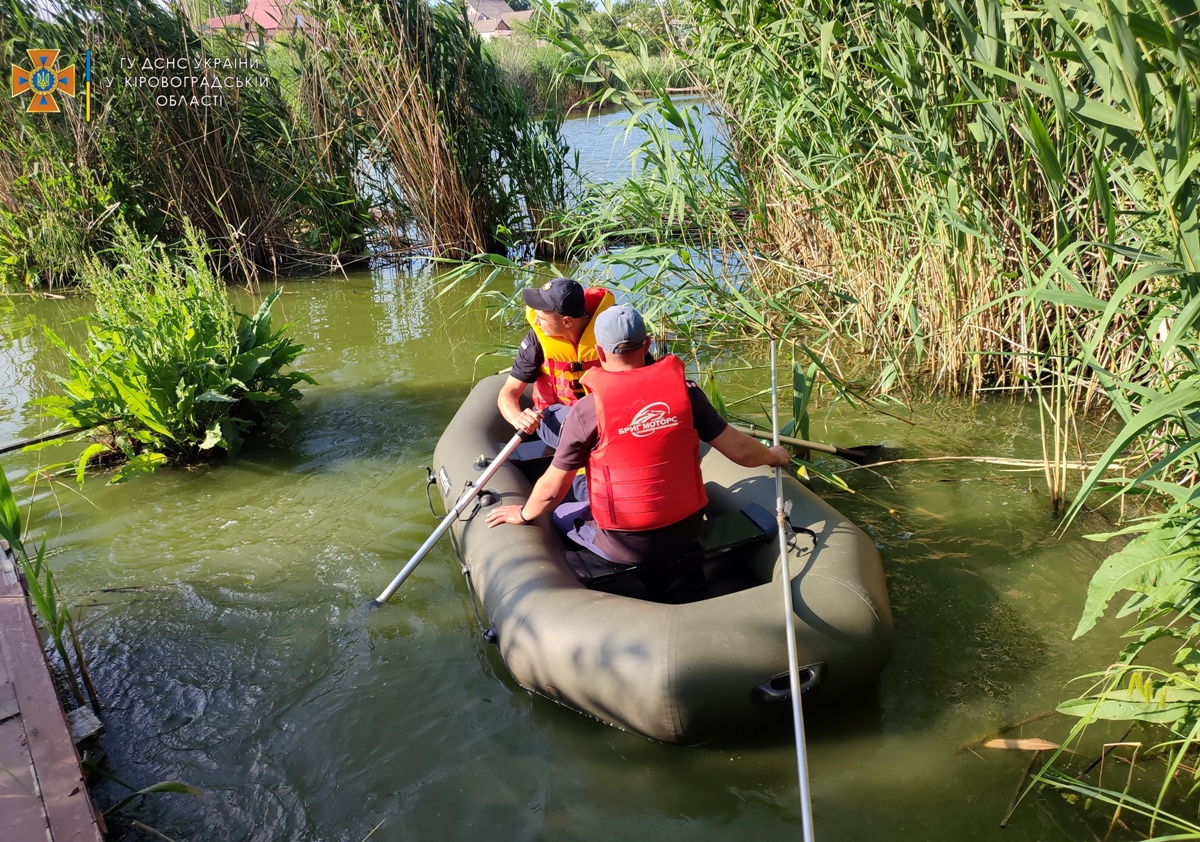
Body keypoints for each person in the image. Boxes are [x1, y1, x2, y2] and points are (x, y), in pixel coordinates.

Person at [486, 304, 790, 565]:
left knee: (561, 513)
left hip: (624, 545)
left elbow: (552, 490)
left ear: (601, 352)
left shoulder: (586, 411)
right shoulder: (687, 393)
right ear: (646, 345)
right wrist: (773, 455)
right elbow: (740, 450)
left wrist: (523, 515)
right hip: (688, 531)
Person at [498, 277, 615, 448]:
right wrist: (518, 418)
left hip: (603, 413)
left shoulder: (609, 333)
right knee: (580, 429)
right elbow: (508, 393)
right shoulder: (536, 340)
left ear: (567, 321)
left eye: (542, 318)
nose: (536, 322)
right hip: (554, 414)